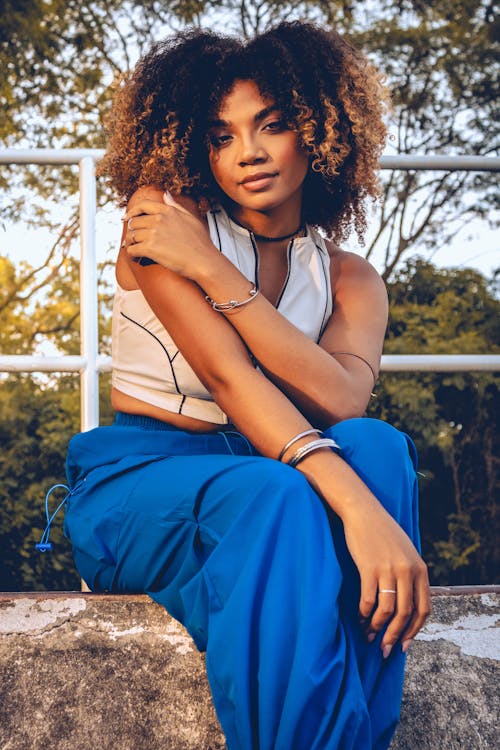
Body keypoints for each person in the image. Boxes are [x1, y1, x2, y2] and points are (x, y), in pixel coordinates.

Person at [62, 21, 430, 750]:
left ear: (321, 133)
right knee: (280, 492)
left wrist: (218, 274)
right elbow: (230, 379)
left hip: (270, 476)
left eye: (272, 125)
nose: (248, 153)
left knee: (378, 446)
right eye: (220, 134)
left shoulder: (349, 278)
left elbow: (342, 399)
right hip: (145, 483)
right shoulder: (165, 219)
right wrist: (361, 514)